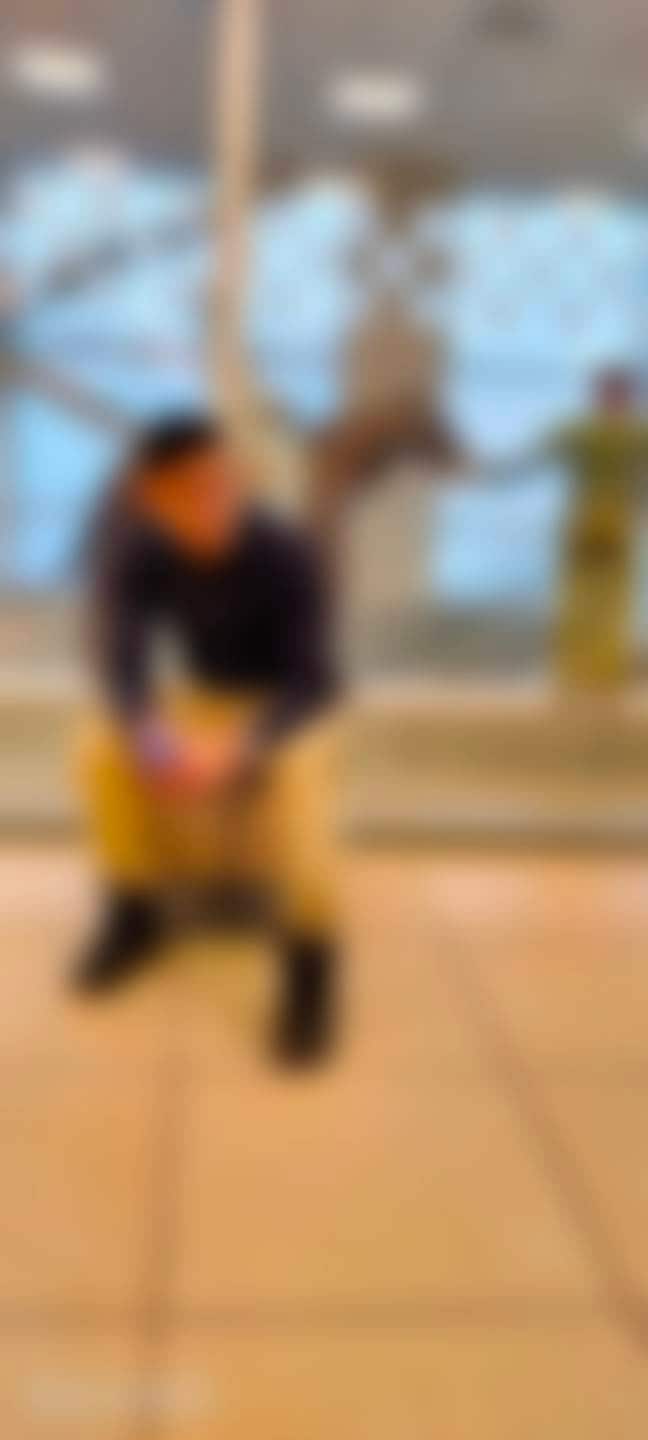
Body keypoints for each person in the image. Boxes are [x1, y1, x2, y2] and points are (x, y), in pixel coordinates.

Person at [74, 414, 340, 1064]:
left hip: (283, 709)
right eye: (190, 490)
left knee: (302, 775)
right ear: (152, 497)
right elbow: (121, 662)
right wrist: (153, 739)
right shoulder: (142, 550)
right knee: (99, 748)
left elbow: (314, 680)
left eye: (222, 481)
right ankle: (133, 911)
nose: (213, 501)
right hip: (205, 702)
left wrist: (240, 747)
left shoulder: (286, 552)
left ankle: (310, 961)